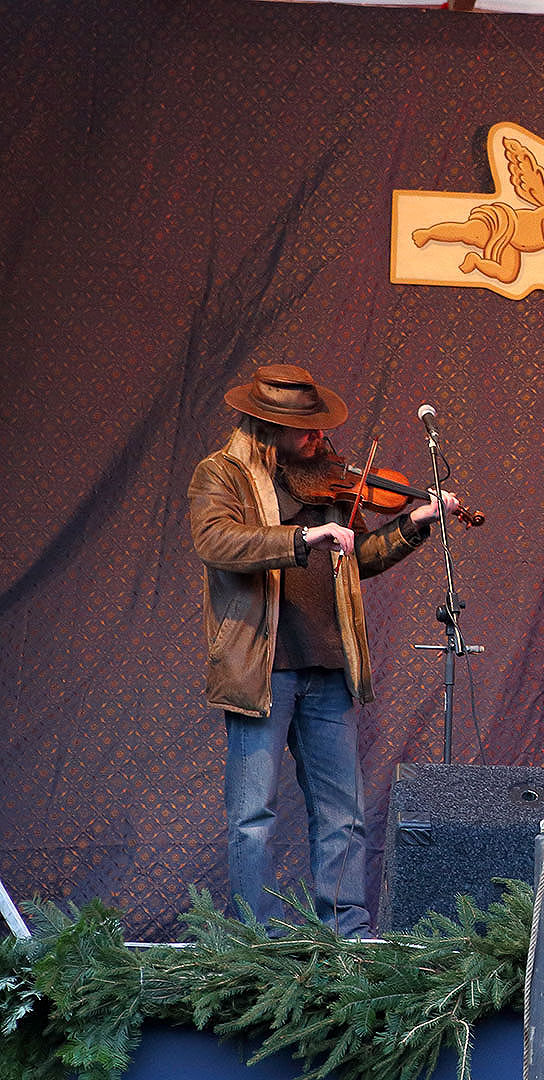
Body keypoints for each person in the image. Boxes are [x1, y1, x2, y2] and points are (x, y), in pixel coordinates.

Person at [187, 364, 459, 936]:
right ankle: (254, 939)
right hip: (262, 670)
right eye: (304, 428)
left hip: (328, 669)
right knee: (253, 816)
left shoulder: (325, 479)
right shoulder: (221, 474)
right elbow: (217, 542)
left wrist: (414, 523)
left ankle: (348, 932)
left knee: (343, 815)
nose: (317, 437)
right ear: (269, 426)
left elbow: (355, 560)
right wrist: (300, 537)